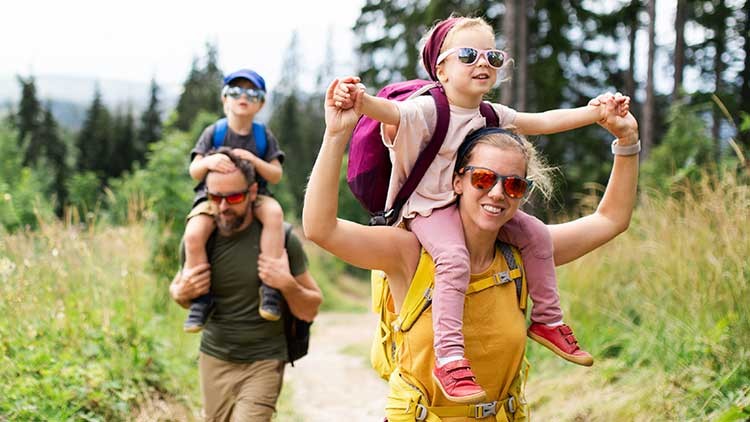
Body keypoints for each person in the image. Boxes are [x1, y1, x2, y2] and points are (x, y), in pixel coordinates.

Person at [333, 15, 629, 401]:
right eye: (469, 55)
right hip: (427, 211)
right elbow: (390, 113)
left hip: (462, 207)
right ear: (441, 67)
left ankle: (546, 320)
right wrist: (357, 100)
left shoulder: (489, 115)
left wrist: (596, 114)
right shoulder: (426, 109)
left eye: (493, 56)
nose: (483, 63)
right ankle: (450, 357)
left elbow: (539, 122)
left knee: (537, 234)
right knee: (453, 258)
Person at [170, 149, 323, 421]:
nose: (224, 206)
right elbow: (183, 294)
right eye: (215, 197)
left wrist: (287, 284)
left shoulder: (283, 241)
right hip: (214, 358)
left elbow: (311, 308)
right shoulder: (199, 240)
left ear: (253, 192)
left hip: (264, 360)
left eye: (234, 197)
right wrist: (179, 293)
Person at [183, 69, 288, 332]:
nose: (243, 97)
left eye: (252, 93)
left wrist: (254, 161)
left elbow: (275, 174)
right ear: (224, 100)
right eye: (235, 92)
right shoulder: (214, 132)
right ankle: (200, 298)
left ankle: (270, 288)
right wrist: (207, 161)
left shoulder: (263, 135)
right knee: (194, 234)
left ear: (261, 103)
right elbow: (194, 170)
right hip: (214, 197)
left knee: (274, 216)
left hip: (256, 195)